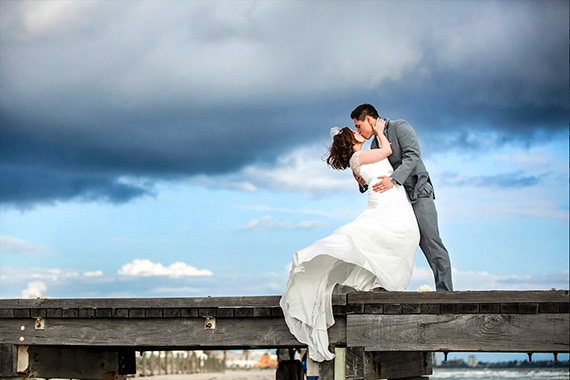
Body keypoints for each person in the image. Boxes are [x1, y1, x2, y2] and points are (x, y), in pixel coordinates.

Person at [280, 121, 420, 362]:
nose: (359, 132)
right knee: (391, 235)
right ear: (353, 141)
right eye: (355, 132)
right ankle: (379, 281)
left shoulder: (359, 159)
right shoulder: (360, 156)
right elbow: (386, 152)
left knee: (395, 236)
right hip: (388, 201)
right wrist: (378, 131)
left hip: (388, 198)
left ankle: (378, 281)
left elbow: (370, 174)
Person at [351, 103, 453, 292]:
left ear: (370, 120)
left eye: (358, 125)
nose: (357, 130)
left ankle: (446, 293)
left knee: (431, 241)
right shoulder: (375, 143)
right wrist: (361, 180)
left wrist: (393, 179)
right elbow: (376, 172)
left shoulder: (400, 126)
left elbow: (412, 156)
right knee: (387, 240)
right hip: (397, 202)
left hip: (418, 193)